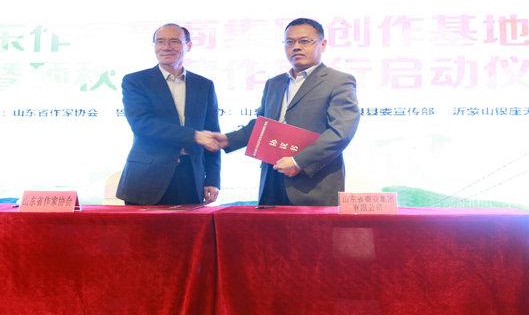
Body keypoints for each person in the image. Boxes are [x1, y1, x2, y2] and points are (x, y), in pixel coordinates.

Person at [214, 18, 360, 206]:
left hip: (313, 185)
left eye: (304, 41)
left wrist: (299, 162)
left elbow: (341, 132)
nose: (296, 47)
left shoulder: (339, 81)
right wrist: (228, 139)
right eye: (290, 42)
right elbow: (262, 125)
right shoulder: (274, 83)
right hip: (272, 179)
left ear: (322, 44)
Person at [116, 23, 221, 205]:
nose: (166, 47)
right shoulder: (135, 81)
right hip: (146, 178)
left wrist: (212, 178)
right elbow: (142, 125)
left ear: (188, 45)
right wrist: (193, 135)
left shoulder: (204, 85)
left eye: (174, 41)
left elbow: (212, 134)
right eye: (160, 41)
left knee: (191, 225)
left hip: (191, 177)